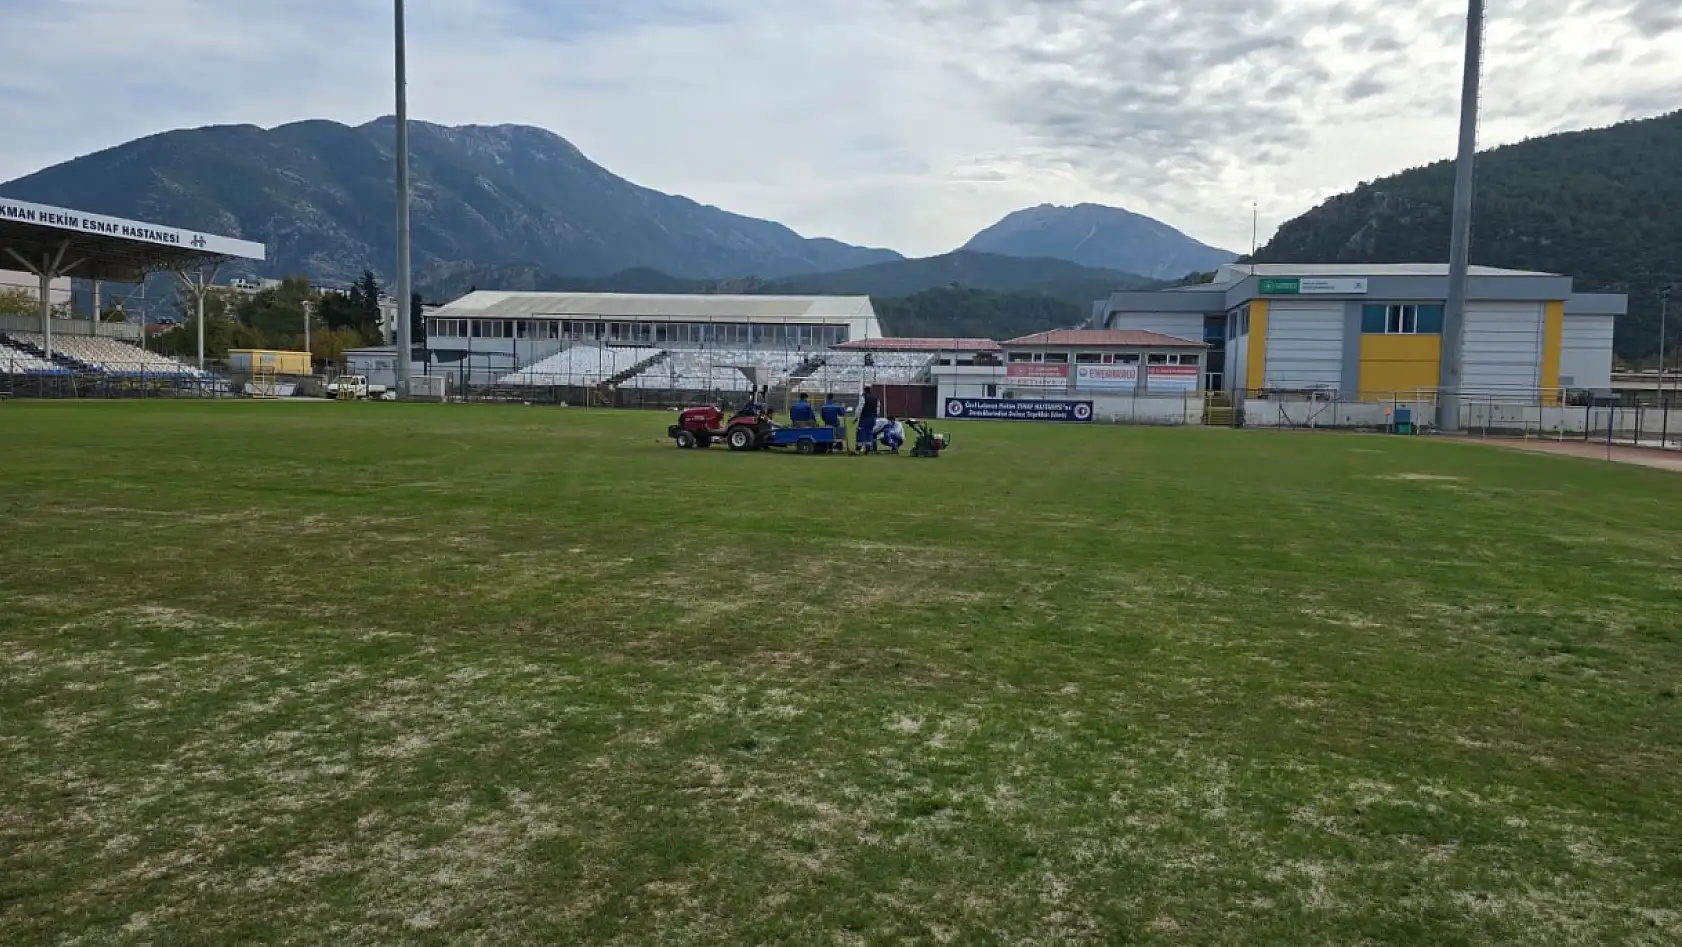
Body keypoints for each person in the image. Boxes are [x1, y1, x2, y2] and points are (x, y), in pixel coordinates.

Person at [856, 387, 880, 453]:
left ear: (865, 391)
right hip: (873, 418)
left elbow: (860, 406)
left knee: (861, 432)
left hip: (865, 417)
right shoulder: (875, 398)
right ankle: (868, 448)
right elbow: (878, 408)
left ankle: (858, 448)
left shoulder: (864, 397)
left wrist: (857, 416)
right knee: (869, 432)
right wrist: (875, 416)